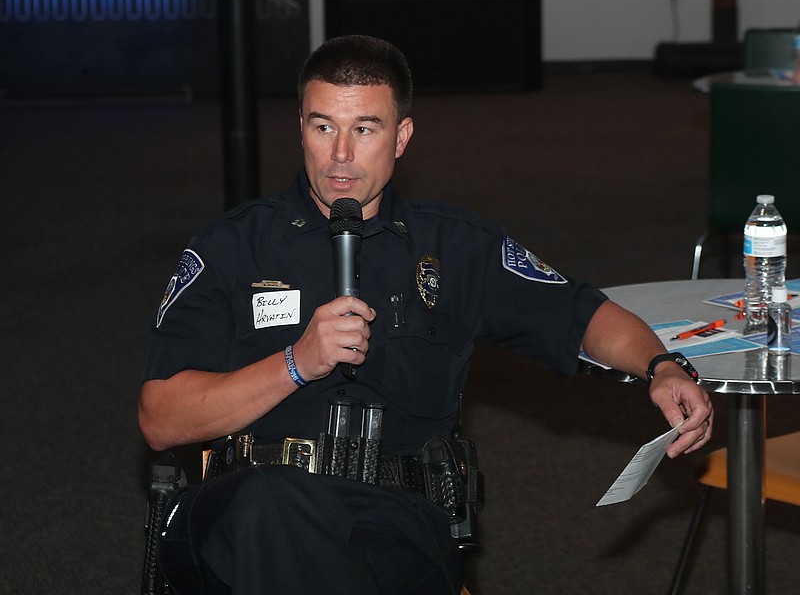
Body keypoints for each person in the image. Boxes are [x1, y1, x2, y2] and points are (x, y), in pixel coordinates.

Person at [139, 35, 713, 595]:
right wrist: (295, 363)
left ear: (402, 136)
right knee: (269, 508)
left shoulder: (455, 247)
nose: (340, 154)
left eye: (364, 129)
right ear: (302, 130)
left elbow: (583, 313)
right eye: (323, 127)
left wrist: (661, 365)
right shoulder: (232, 247)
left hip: (397, 517)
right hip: (244, 510)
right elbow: (161, 418)